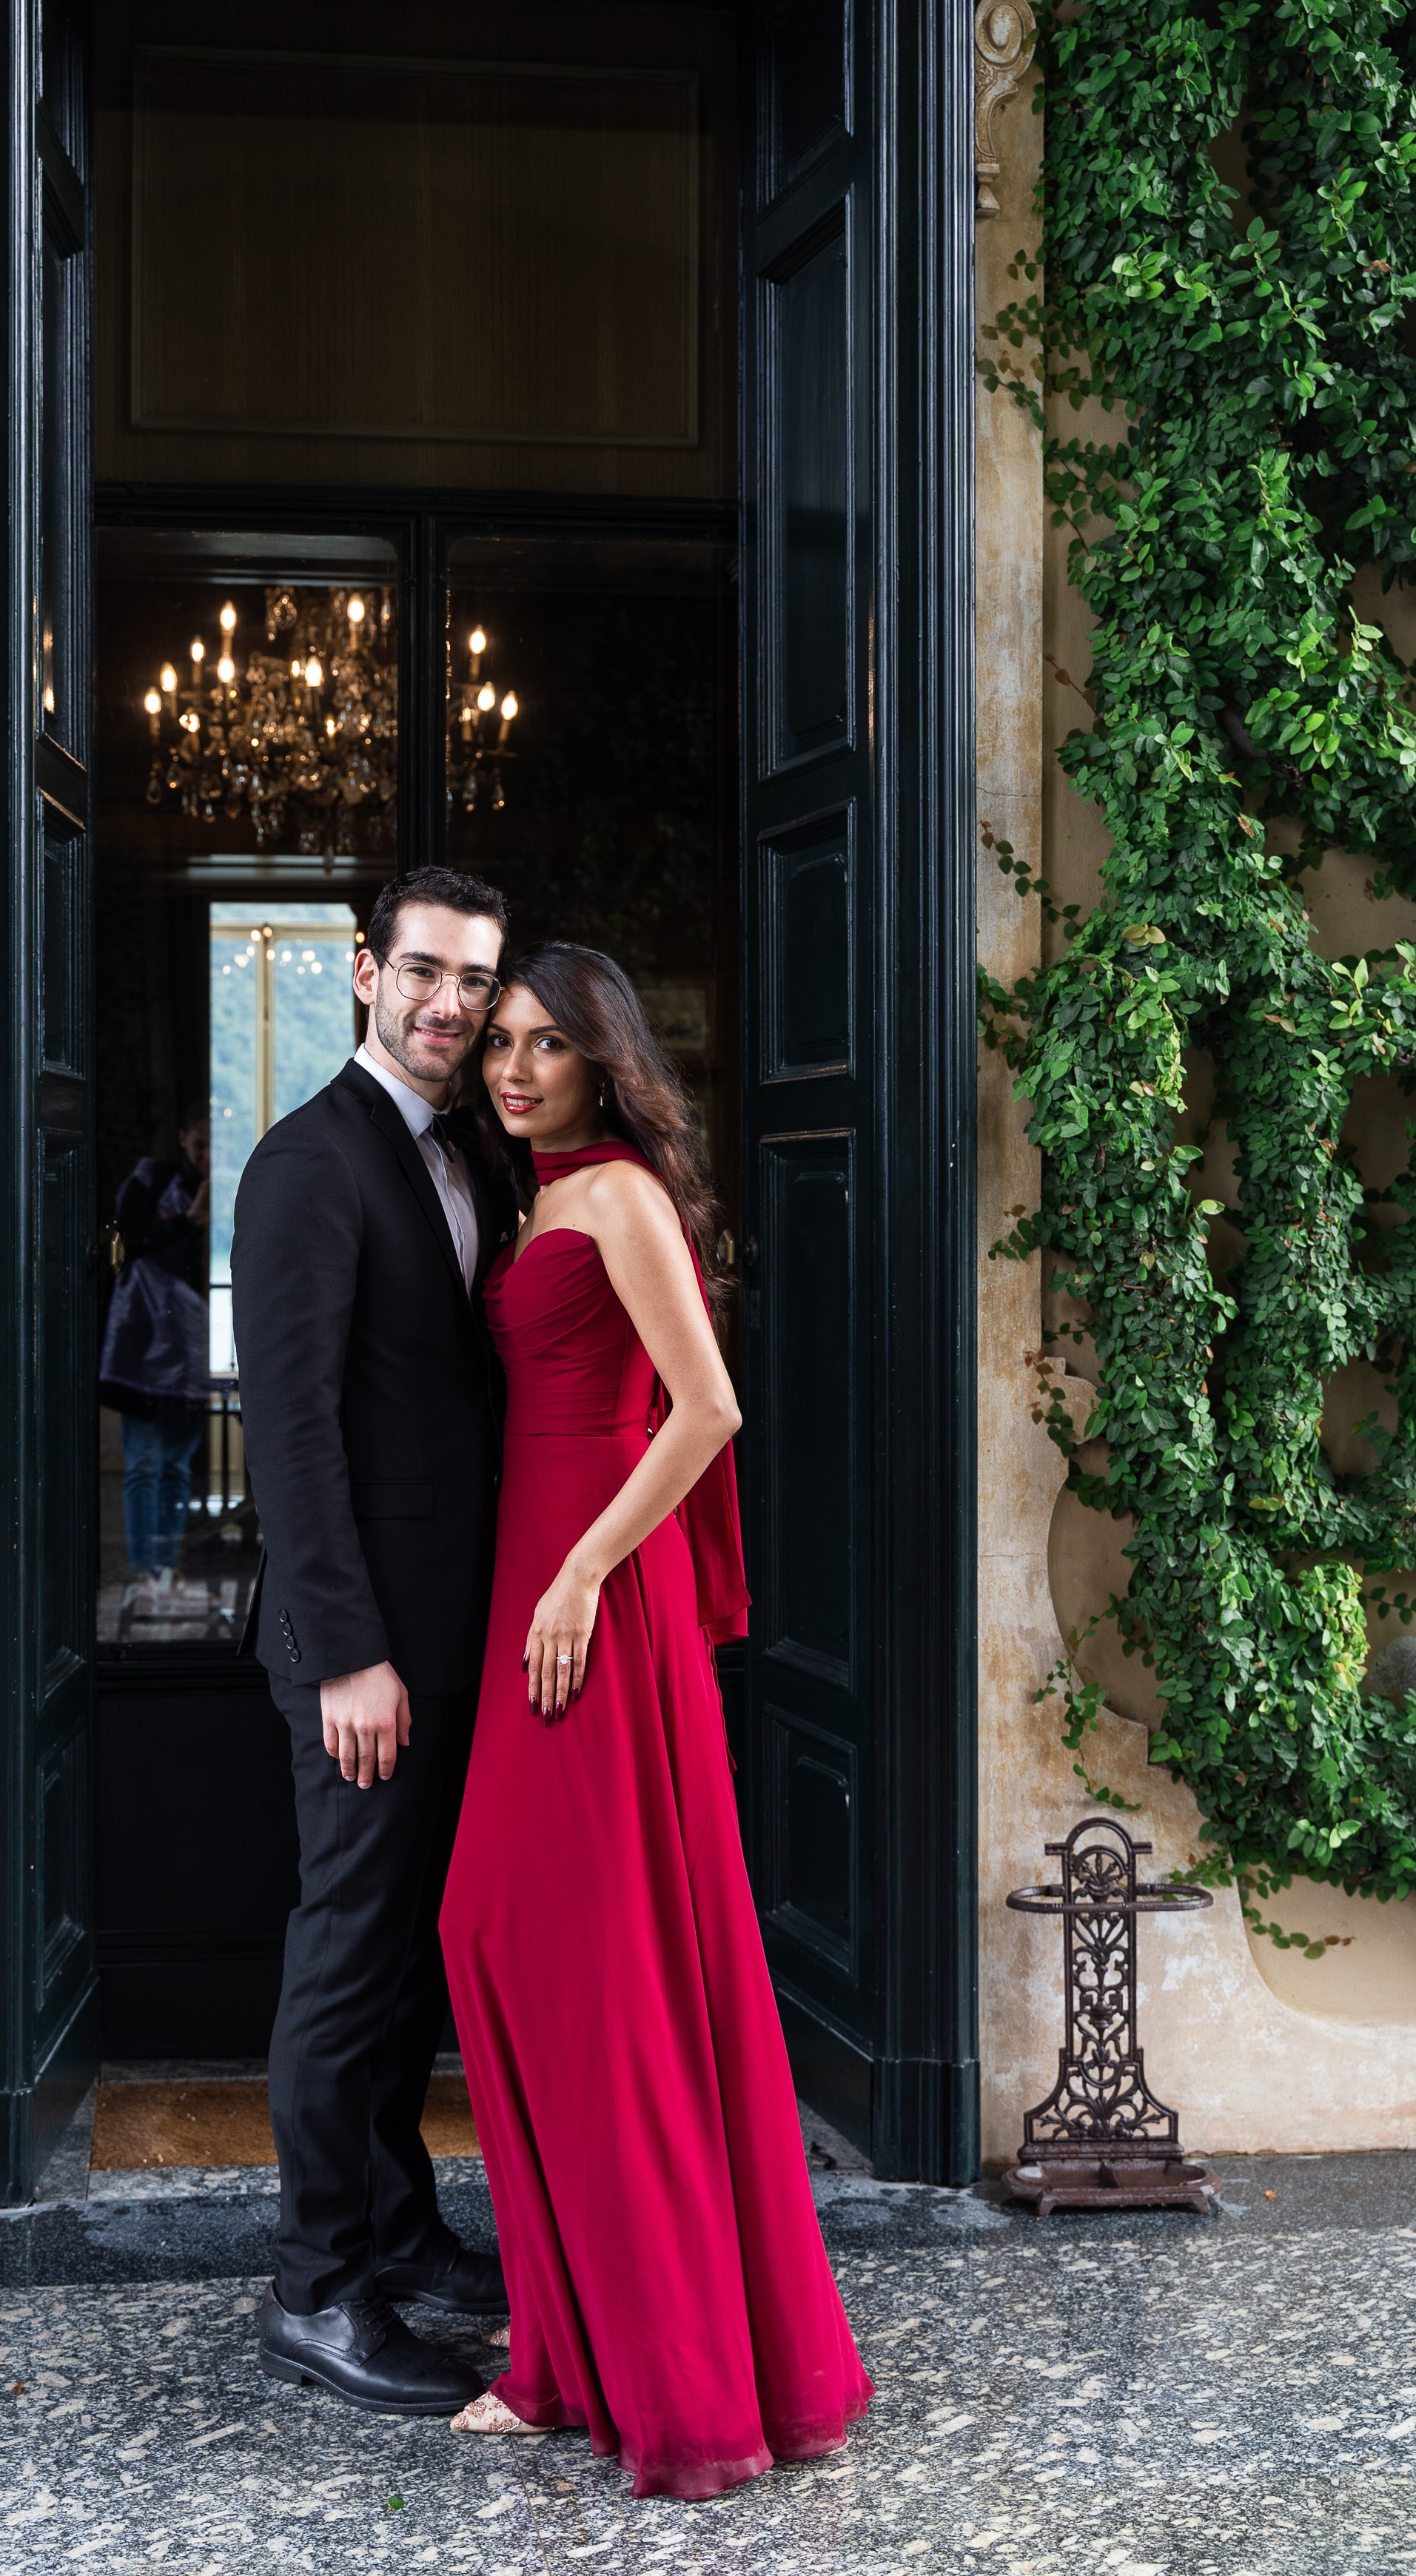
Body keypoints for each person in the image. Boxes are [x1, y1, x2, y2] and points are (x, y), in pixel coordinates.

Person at [440, 943, 872, 2498]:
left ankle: (653, 2370)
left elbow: (707, 1412)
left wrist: (577, 1577)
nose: (513, 1068)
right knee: (503, 1937)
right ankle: (567, 2351)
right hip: (535, 1589)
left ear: (600, 1060)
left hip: (589, 1605)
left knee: (589, 1966)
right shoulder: (539, 1196)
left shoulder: (612, 1192)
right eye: (499, 1041)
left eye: (546, 1045)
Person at [232, 867, 522, 2418]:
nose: (448, 1005)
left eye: (474, 982)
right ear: (361, 973)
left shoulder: (464, 1144)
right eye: (421, 971)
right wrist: (349, 1652)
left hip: (454, 1636)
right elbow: (285, 1428)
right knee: (348, 1962)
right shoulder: (305, 1162)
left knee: (409, 1962)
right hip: (361, 1653)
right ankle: (317, 2287)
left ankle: (397, 2230)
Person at [99, 1103, 213, 1610]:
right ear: (184, 1134)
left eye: (215, 1147)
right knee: (144, 1462)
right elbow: (125, 1243)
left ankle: (169, 1567)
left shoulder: (236, 1186)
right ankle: (145, 1572)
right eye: (200, 1144)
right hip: (144, 1346)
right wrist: (186, 1222)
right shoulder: (153, 1178)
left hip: (193, 1348)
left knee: (179, 1466)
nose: (208, 1156)